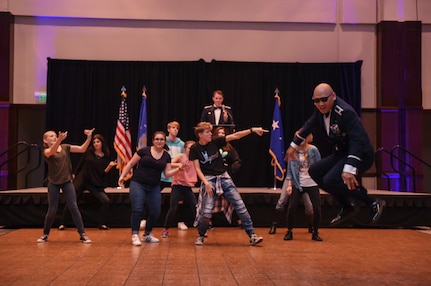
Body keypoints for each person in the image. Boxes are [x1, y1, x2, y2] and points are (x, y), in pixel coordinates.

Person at [285, 83, 384, 226]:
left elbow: (358, 140)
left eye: (324, 99)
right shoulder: (320, 111)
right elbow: (307, 126)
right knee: (315, 171)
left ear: (334, 96)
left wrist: (349, 168)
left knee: (331, 179)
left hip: (360, 155)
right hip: (342, 153)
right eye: (316, 101)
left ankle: (373, 202)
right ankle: (347, 206)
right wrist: (292, 147)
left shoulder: (346, 112)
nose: (320, 104)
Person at [190, 122, 267, 246]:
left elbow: (236, 136)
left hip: (224, 178)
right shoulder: (195, 148)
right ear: (200, 134)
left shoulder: (215, 142)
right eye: (208, 132)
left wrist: (252, 129)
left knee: (240, 206)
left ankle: (252, 235)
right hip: (209, 179)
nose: (211, 133)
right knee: (206, 211)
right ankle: (201, 235)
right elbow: (197, 168)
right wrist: (206, 183)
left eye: (210, 131)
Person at [118, 131, 184, 246]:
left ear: (165, 141)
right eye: (157, 139)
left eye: (162, 139)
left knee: (155, 211)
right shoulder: (144, 151)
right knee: (137, 209)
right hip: (138, 183)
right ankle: (135, 234)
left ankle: (147, 234)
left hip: (154, 186)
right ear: (153, 141)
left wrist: (179, 169)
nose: (159, 141)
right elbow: (130, 164)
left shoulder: (166, 156)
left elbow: (167, 174)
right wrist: (122, 176)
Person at [37, 129, 94, 243]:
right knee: (52, 209)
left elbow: (82, 149)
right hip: (53, 182)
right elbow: (52, 151)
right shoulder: (46, 151)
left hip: (67, 181)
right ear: (45, 140)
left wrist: (88, 138)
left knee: (74, 206)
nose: (54, 137)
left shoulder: (65, 147)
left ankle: (82, 234)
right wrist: (59, 140)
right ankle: (45, 234)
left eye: (54, 136)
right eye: (51, 136)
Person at [59, 134, 116, 231]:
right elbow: (80, 164)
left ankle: (101, 223)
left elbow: (102, 174)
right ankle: (63, 223)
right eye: (94, 142)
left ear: (102, 143)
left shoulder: (106, 156)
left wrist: (109, 167)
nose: (96, 144)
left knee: (105, 201)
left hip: (95, 182)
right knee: (72, 200)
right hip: (82, 180)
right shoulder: (89, 152)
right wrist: (74, 174)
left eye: (98, 142)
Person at [283, 133, 322, 241]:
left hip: (312, 183)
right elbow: (290, 170)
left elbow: (320, 165)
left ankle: (315, 232)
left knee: (317, 209)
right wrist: (289, 185)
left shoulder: (313, 150)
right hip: (298, 183)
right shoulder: (293, 152)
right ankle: (289, 231)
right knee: (291, 208)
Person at [161, 141, 198, 238]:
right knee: (173, 208)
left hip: (187, 186)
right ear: (185, 148)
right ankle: (165, 229)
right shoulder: (181, 156)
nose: (191, 150)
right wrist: (179, 166)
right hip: (178, 185)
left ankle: (201, 229)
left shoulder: (195, 159)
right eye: (189, 148)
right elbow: (169, 164)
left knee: (195, 206)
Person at [159, 121, 187, 230]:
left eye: (177, 128)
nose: (175, 130)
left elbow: (183, 159)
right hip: (162, 174)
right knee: (153, 195)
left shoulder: (181, 144)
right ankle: (145, 219)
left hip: (176, 175)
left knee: (179, 199)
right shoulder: (162, 141)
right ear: (168, 129)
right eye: (173, 128)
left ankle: (180, 221)